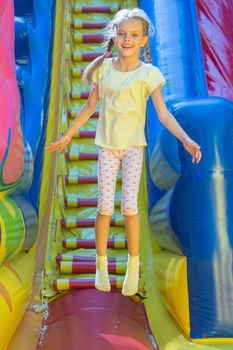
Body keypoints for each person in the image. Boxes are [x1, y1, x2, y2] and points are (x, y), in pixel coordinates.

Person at [45, 8, 202, 296]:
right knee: (104, 207)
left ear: (144, 41)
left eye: (133, 35)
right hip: (107, 146)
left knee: (129, 207)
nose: (126, 39)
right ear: (114, 37)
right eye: (122, 34)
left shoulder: (149, 75)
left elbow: (164, 115)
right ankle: (100, 263)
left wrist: (186, 139)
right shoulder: (103, 69)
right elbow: (90, 105)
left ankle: (133, 263)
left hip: (132, 148)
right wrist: (68, 135)